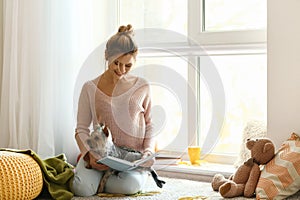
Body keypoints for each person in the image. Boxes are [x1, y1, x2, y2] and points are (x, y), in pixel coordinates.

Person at [71, 24, 156, 197]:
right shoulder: (90, 88)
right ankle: (100, 176)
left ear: (134, 61)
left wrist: (148, 152)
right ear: (106, 56)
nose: (121, 70)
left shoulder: (142, 86)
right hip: (101, 152)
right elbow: (81, 128)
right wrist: (89, 155)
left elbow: (150, 124)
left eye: (128, 66)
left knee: (128, 187)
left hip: (131, 157)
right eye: (116, 63)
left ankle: (128, 176)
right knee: (80, 189)